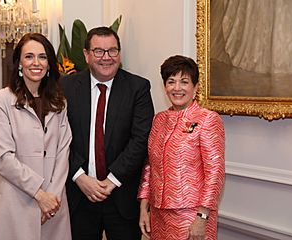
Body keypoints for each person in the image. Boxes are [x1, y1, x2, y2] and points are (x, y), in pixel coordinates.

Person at [60, 26, 154, 240]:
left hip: (122, 196)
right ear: (86, 55)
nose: (106, 58)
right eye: (99, 51)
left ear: (119, 54)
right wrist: (79, 176)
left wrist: (111, 180)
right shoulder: (66, 86)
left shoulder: (138, 88)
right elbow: (59, 138)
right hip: (79, 194)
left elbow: (140, 140)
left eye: (112, 51)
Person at [0, 33, 72, 240]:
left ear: (49, 64)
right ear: (19, 63)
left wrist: (51, 197)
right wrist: (39, 194)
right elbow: (3, 156)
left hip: (54, 203)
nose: (36, 63)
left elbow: (63, 151)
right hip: (16, 200)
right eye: (29, 57)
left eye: (42, 57)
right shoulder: (2, 99)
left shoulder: (59, 102)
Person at [138, 55, 225, 240]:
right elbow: (149, 166)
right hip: (158, 213)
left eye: (184, 81)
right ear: (165, 87)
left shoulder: (208, 119)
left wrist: (202, 217)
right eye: (171, 81)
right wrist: (144, 208)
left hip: (192, 214)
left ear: (195, 87)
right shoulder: (159, 119)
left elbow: (214, 172)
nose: (177, 88)